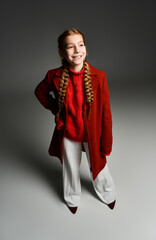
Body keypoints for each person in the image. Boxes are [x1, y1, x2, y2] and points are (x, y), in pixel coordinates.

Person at [34, 28, 116, 214]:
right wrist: (57, 110)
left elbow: (106, 112)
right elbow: (40, 92)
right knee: (70, 169)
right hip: (69, 134)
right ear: (62, 52)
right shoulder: (53, 75)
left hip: (92, 135)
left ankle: (107, 193)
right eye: (70, 47)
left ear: (85, 48)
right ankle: (71, 198)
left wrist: (107, 141)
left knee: (100, 167)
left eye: (80, 45)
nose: (77, 50)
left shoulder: (99, 76)